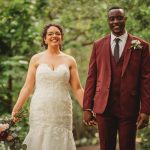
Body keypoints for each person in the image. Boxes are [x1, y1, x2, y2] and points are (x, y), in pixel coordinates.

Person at [83, 6, 150, 150]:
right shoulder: (98, 45)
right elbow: (91, 78)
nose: (115, 22)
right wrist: (87, 108)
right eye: (112, 19)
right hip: (104, 108)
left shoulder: (142, 46)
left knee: (128, 147)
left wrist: (145, 109)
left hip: (129, 107)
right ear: (108, 21)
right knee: (106, 147)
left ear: (125, 19)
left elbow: (146, 80)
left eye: (119, 18)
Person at [11, 23, 83, 150]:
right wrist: (16, 108)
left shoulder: (70, 60)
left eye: (57, 33)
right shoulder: (36, 59)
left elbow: (77, 88)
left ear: (62, 37)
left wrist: (88, 109)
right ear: (45, 39)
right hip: (40, 108)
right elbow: (28, 87)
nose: (54, 36)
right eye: (50, 34)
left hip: (62, 109)